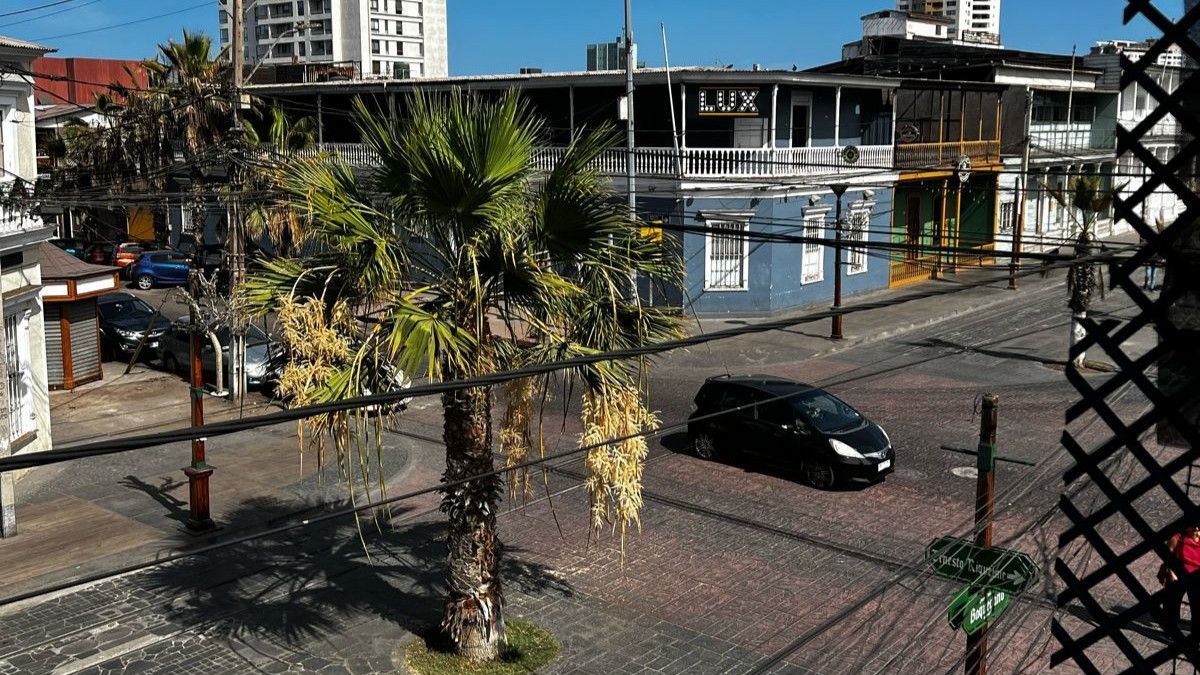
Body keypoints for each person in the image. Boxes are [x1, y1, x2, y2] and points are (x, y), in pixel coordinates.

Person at [1159, 525, 1200, 640]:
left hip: (1197, 576)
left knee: (1197, 606)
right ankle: (1171, 627)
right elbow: (1168, 553)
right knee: (1172, 598)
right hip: (1180, 572)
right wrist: (1169, 569)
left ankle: (1195, 636)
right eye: (1192, 526)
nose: (1196, 529)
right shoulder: (1178, 536)